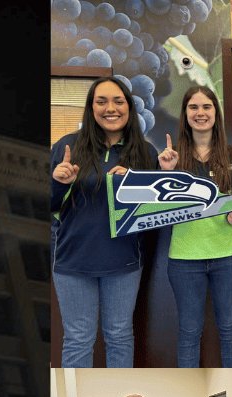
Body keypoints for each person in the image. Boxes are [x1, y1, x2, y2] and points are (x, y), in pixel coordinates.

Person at [51, 76, 158, 368]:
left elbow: (153, 216)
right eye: (101, 101)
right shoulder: (67, 146)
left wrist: (135, 188)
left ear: (129, 108)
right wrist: (59, 183)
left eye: (118, 101)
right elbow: (49, 205)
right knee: (78, 339)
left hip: (123, 262)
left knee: (120, 336)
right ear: (91, 108)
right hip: (73, 263)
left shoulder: (145, 152)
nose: (110, 108)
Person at [161, 86, 232, 368]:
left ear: (216, 113)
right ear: (185, 114)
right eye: (193, 108)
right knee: (189, 331)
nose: (200, 113)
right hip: (185, 258)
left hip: (229, 254)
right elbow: (159, 208)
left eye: (207, 107)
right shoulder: (170, 157)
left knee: (229, 327)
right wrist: (166, 173)